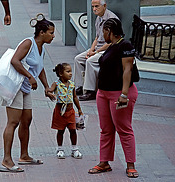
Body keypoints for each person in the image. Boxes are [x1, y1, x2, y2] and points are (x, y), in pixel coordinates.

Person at [0, 14, 55, 173]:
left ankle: (24, 155)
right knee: (13, 122)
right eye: (51, 33)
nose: (53, 36)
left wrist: (46, 87)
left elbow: (41, 68)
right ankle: (6, 160)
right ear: (42, 32)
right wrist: (30, 77)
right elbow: (14, 60)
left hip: (25, 87)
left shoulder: (41, 47)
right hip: (14, 86)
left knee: (27, 120)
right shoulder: (28, 43)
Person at [88, 18, 139, 178]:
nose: (102, 34)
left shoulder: (125, 46)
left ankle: (130, 165)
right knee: (106, 130)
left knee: (124, 129)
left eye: (104, 31)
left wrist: (124, 95)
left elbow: (127, 70)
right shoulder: (111, 46)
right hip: (103, 93)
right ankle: (104, 162)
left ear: (109, 31)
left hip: (120, 94)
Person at [74, 0, 118, 101]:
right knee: (78, 59)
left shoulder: (112, 19)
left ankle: (90, 91)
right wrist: (91, 50)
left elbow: (111, 42)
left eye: (97, 6)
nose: (94, 9)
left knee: (90, 61)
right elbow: (97, 38)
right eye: (93, 7)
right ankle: (80, 86)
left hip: (108, 50)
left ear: (104, 6)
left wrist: (95, 52)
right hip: (98, 48)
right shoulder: (99, 18)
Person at [47, 63, 83, 159]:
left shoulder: (72, 84)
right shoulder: (56, 84)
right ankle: (60, 149)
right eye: (68, 71)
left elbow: (74, 97)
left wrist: (79, 109)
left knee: (73, 130)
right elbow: (49, 90)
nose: (70, 73)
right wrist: (49, 93)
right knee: (60, 131)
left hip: (70, 111)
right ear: (60, 73)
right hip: (60, 112)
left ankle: (74, 149)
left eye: (71, 71)